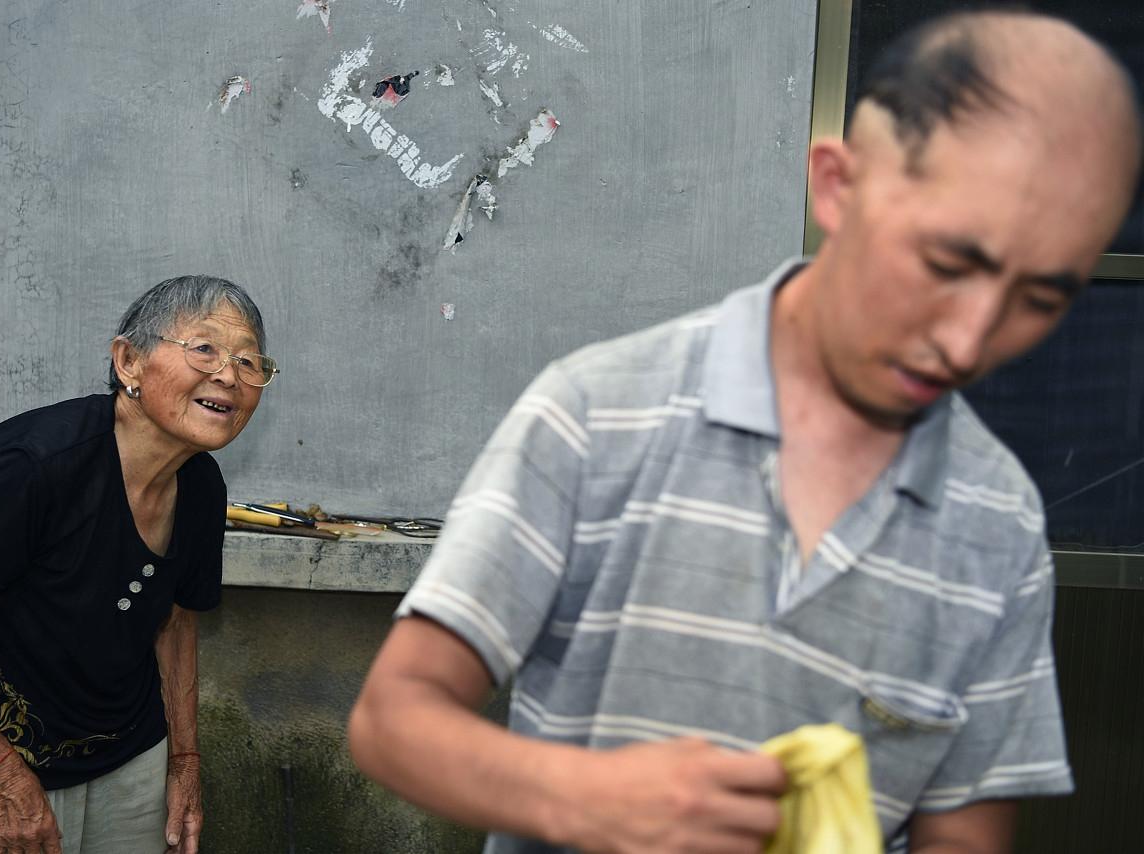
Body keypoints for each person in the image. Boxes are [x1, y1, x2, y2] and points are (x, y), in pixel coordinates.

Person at [348, 11, 1143, 854]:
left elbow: (968, 835)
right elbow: (395, 722)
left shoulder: (1000, 523)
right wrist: (588, 798)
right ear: (837, 185)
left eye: (1042, 300)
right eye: (946, 264)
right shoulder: (598, 414)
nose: (971, 339)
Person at [0, 275, 279, 854]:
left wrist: (183, 761)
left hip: (126, 753)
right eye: (205, 348)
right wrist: (2, 777)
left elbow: (173, 620)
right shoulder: (35, 471)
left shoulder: (200, 484)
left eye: (248, 360)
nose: (229, 375)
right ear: (129, 362)